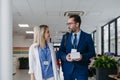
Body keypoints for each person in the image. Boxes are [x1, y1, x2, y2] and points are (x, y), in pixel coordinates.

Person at [57, 15, 95, 80]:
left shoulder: (87, 37)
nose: (68, 26)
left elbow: (92, 52)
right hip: (68, 70)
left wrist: (82, 56)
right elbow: (59, 52)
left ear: (77, 24)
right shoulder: (65, 37)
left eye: (70, 24)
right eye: (68, 24)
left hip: (82, 70)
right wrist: (65, 57)